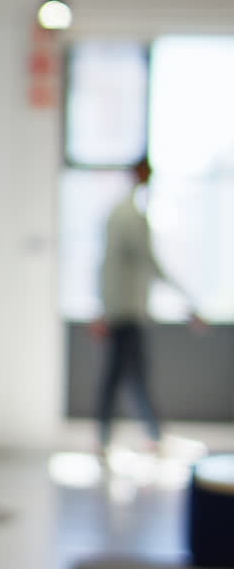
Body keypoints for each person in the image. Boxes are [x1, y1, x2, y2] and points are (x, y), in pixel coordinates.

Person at [91, 156, 204, 456]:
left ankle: (133, 435)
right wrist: (186, 300)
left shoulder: (122, 214)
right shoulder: (129, 217)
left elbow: (113, 266)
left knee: (126, 375)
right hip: (125, 312)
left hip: (123, 310)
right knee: (127, 375)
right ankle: (143, 435)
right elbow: (147, 263)